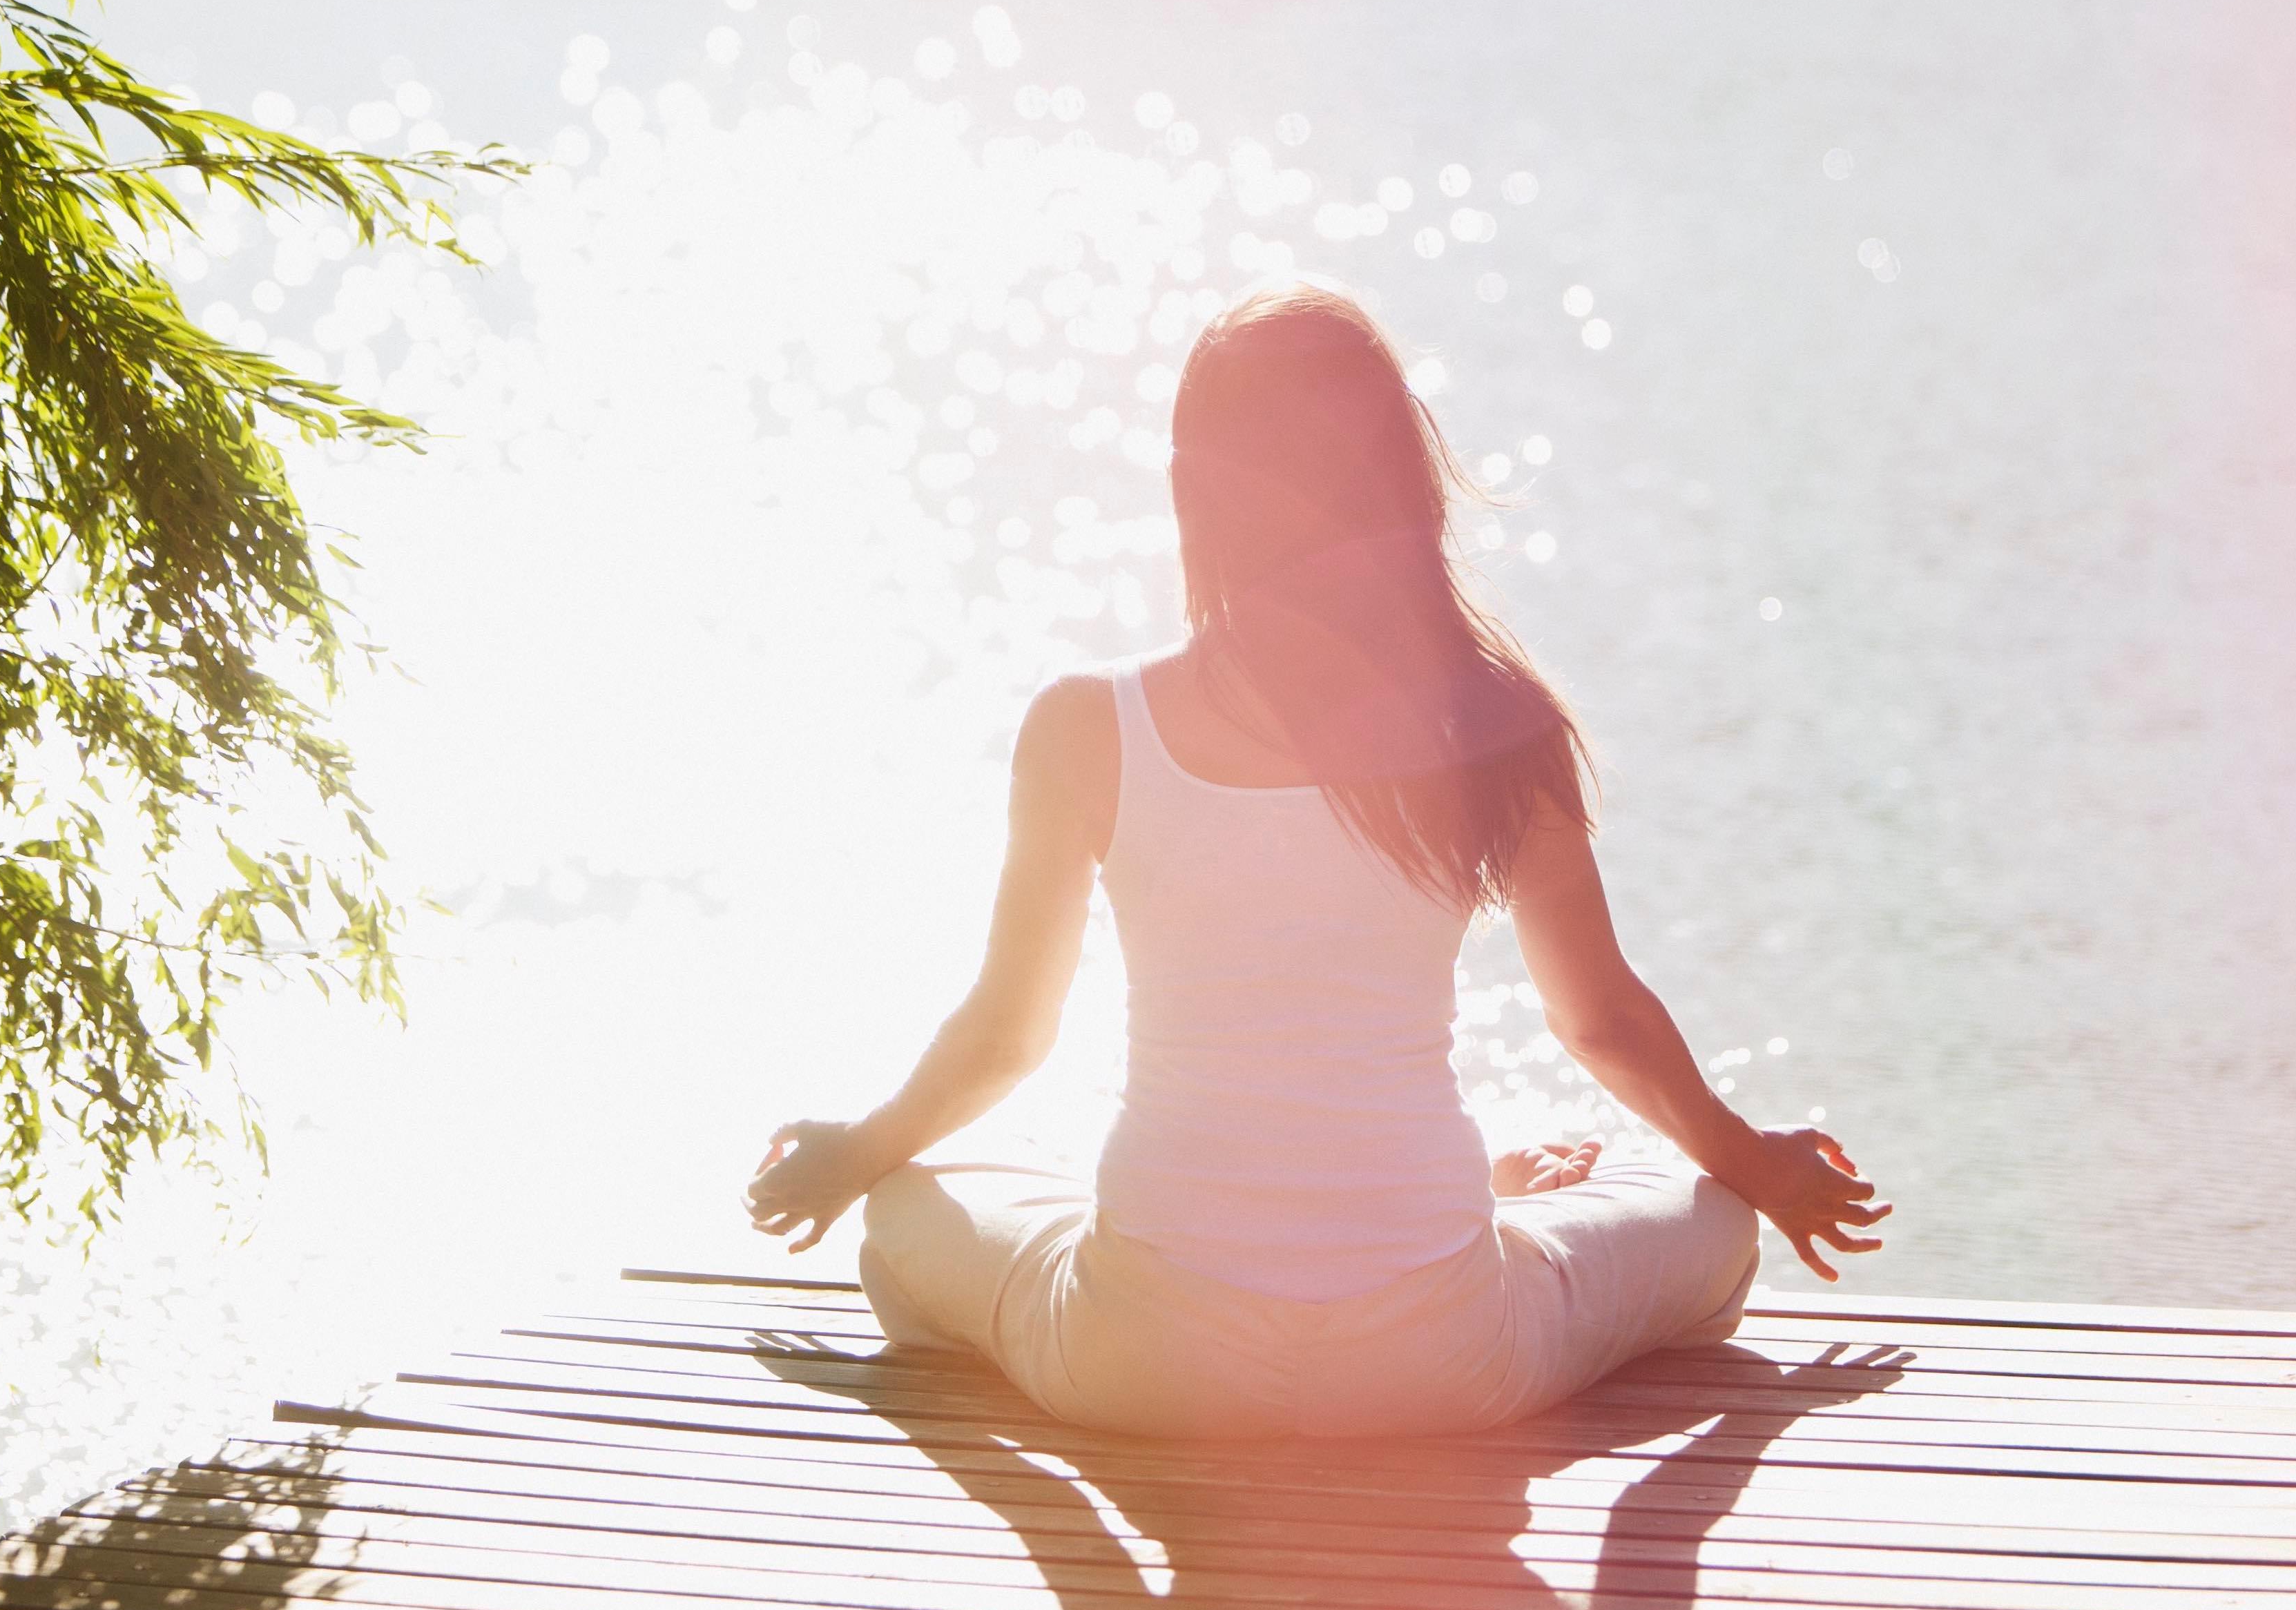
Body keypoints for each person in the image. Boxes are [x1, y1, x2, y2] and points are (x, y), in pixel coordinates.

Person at [745, 283, 1885, 1438]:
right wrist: (1759, 1164)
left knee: (907, 1206)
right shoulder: (1499, 724)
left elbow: (1009, 1039)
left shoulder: (1088, 725)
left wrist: (857, 1153)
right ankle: (1471, 1199)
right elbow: (1600, 1024)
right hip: (1436, 1357)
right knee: (1710, 1212)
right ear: (1402, 479)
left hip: (1149, 1357)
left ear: (1200, 493)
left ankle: (1460, 1200)